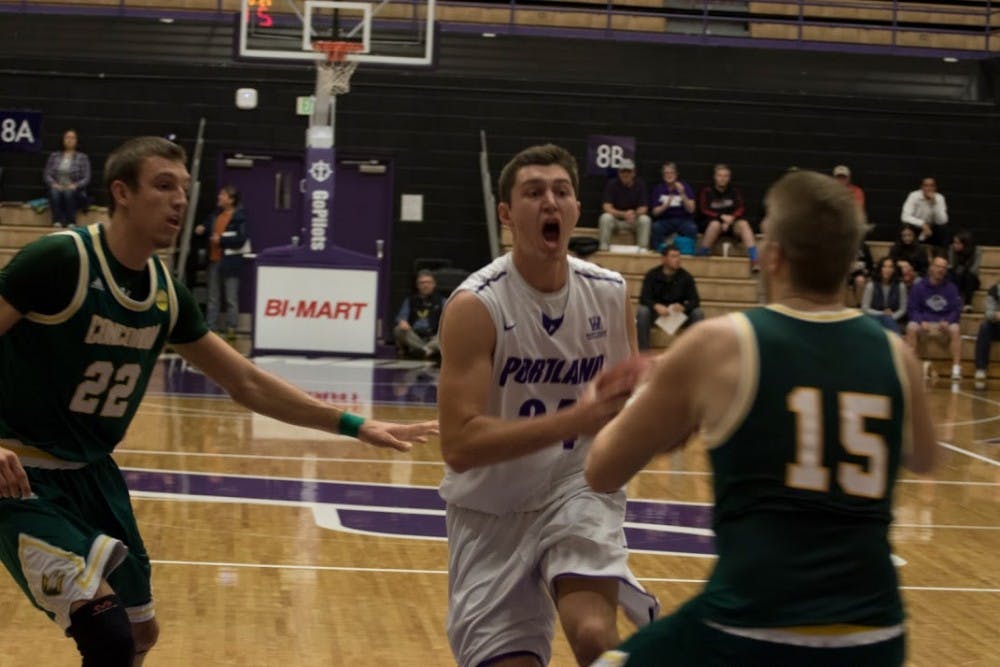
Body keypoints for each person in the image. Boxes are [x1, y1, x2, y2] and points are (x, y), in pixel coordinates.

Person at [0, 136, 437, 667]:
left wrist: (353, 424)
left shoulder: (165, 291)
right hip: (21, 476)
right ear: (121, 192)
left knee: (141, 635)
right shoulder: (59, 260)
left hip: (94, 474)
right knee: (107, 635)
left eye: (184, 189)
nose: (180, 201)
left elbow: (247, 383)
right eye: (163, 186)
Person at [585, 169, 937, 667]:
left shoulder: (721, 344)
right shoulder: (895, 354)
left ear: (772, 255)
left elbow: (601, 470)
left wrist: (651, 394)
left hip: (750, 624)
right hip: (876, 632)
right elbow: (924, 457)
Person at [438, 144, 658, 667]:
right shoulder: (477, 305)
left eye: (561, 191)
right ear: (507, 215)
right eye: (534, 193)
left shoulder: (609, 292)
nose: (550, 202)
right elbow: (460, 446)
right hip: (490, 510)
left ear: (578, 210)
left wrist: (660, 414)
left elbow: (623, 412)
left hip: (575, 489)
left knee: (593, 638)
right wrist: (576, 419)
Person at [194, 185, 250, 336]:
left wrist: (222, 240)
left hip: (230, 263)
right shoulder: (216, 214)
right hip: (213, 261)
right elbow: (209, 224)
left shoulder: (239, 217)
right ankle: (210, 328)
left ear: (231, 200)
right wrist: (202, 227)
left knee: (231, 297)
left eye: (223, 195)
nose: (219, 197)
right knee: (213, 297)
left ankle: (232, 328)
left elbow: (241, 239)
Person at [635, 244, 705, 350]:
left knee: (698, 313)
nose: (677, 260)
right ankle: (643, 351)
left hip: (677, 314)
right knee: (643, 311)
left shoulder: (686, 276)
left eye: (678, 256)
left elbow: (695, 300)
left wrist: (684, 307)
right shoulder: (652, 275)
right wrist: (656, 306)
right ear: (663, 259)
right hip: (658, 314)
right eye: (673, 256)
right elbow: (644, 298)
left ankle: (695, 351)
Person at [905, 254, 964, 380]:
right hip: (924, 324)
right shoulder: (918, 287)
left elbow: (956, 310)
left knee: (955, 328)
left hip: (942, 325)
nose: (941, 270)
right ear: (931, 268)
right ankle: (911, 367)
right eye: (938, 266)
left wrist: (948, 321)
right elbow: (912, 309)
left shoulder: (951, 288)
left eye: (943, 268)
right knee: (911, 326)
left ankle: (956, 368)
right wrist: (920, 321)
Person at [697, 163, 758, 270]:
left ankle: (754, 260)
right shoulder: (707, 191)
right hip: (713, 223)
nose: (722, 178)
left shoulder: (734, 191)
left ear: (729, 178)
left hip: (731, 223)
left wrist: (731, 219)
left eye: (725, 176)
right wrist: (721, 217)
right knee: (715, 224)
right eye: (720, 176)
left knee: (744, 224)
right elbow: (704, 209)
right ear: (715, 177)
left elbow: (741, 208)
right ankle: (702, 255)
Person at [597, 158, 651, 251]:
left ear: (634, 173)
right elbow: (606, 207)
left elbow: (644, 208)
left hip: (633, 220)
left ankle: (642, 249)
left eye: (628, 171)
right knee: (605, 217)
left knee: (645, 220)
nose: (625, 174)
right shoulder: (612, 184)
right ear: (619, 173)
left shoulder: (640, 184)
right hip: (616, 221)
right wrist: (623, 214)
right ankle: (604, 248)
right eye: (623, 171)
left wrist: (633, 214)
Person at [43, 129, 91, 228]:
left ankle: (71, 221)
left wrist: (75, 185)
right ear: (63, 140)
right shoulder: (54, 156)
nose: (69, 140)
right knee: (54, 192)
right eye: (67, 137)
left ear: (76, 141)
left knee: (68, 193)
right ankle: (56, 221)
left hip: (75, 190)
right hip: (58, 187)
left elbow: (86, 177)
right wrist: (54, 184)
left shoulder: (82, 157)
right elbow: (47, 174)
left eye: (72, 138)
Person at [392, 269, 445, 359]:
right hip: (415, 336)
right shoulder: (410, 301)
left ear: (434, 284)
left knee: (447, 335)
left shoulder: (442, 301)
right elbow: (401, 318)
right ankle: (427, 350)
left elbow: (450, 320)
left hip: (433, 336)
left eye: (428, 282)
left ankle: (422, 350)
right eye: (422, 283)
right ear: (417, 286)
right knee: (398, 330)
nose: (425, 285)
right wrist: (402, 322)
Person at [649, 161, 697, 252]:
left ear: (676, 174)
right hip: (665, 220)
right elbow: (654, 212)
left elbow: (691, 209)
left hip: (683, 220)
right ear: (663, 175)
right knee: (656, 227)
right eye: (666, 173)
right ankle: (657, 252)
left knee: (692, 228)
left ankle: (689, 253)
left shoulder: (684, 187)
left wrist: (682, 193)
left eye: (671, 173)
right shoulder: (659, 189)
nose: (669, 175)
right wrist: (665, 205)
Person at [861, 256, 908, 333]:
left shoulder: (900, 286)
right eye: (884, 267)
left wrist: (890, 317)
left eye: (890, 267)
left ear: (894, 270)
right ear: (880, 269)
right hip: (874, 317)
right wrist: (883, 314)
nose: (887, 270)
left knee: (889, 323)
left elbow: (903, 309)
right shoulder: (871, 285)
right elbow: (865, 308)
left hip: (894, 318)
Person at [901, 177, 949, 248]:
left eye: (931, 186)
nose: (929, 188)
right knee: (905, 227)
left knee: (943, 229)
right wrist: (922, 224)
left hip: (932, 228)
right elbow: (904, 216)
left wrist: (934, 203)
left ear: (935, 188)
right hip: (916, 227)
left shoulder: (939, 198)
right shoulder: (914, 196)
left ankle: (941, 256)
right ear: (921, 187)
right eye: (926, 185)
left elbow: (942, 221)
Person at [947, 229, 981, 311]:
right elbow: (951, 265)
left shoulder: (976, 250)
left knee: (969, 276)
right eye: (954, 242)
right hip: (957, 278)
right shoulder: (951, 249)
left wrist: (963, 270)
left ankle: (968, 304)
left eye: (958, 243)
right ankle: (955, 301)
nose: (955, 245)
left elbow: (974, 270)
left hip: (970, 280)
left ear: (965, 244)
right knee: (953, 274)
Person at [974, 282, 999, 386]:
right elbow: (988, 314)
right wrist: (995, 315)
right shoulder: (994, 290)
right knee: (984, 327)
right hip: (996, 325)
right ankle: (981, 368)